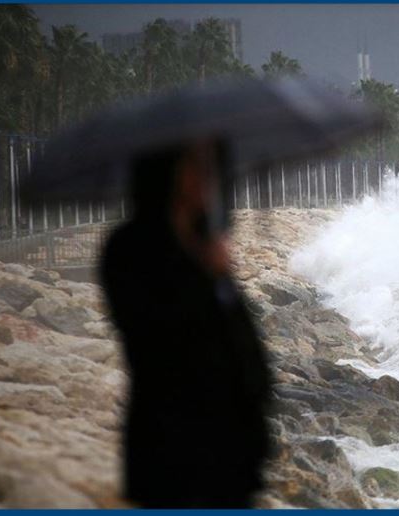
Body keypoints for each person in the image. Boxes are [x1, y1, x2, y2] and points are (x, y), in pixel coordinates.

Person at [99, 139, 273, 508]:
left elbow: (240, 340)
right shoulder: (129, 248)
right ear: (166, 172)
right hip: (172, 449)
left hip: (232, 451)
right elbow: (156, 339)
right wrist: (206, 273)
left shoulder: (204, 241)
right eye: (196, 167)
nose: (207, 180)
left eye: (211, 168)